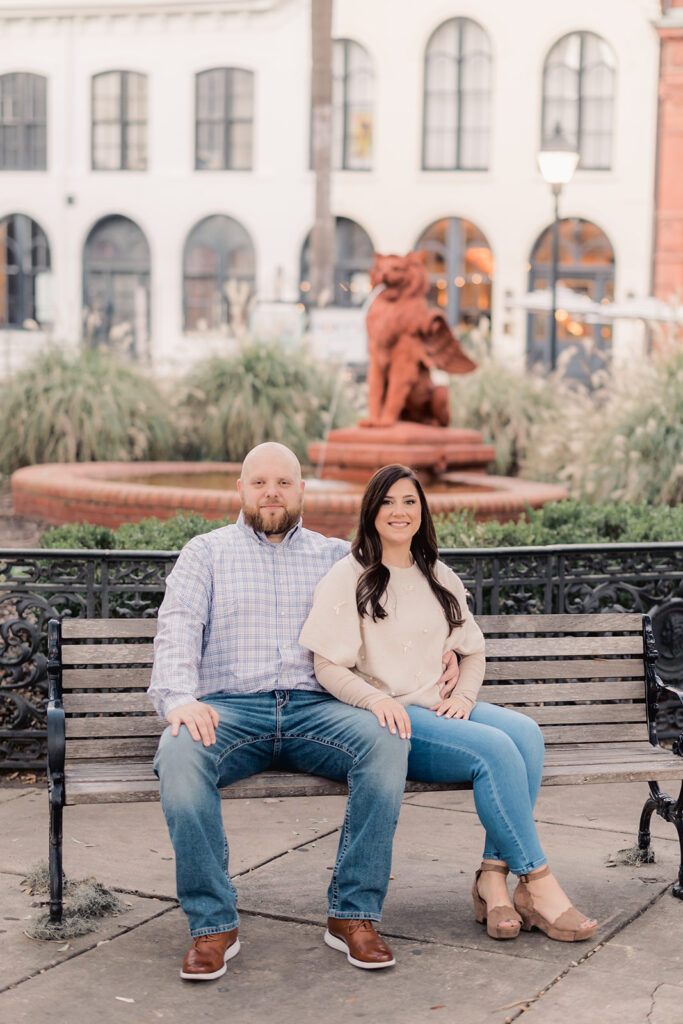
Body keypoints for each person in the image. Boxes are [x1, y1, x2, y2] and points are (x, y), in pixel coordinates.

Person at [148, 443, 460, 980]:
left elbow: (407, 600)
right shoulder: (206, 553)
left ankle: (352, 914)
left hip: (318, 710)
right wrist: (179, 699)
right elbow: (177, 628)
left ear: (302, 491)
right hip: (230, 711)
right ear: (241, 490)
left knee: (387, 740)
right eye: (260, 483)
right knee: (178, 756)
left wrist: (447, 647)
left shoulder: (337, 556)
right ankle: (213, 924)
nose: (272, 493)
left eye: (284, 483)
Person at [299, 464, 597, 944]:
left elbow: (472, 649)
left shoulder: (438, 575)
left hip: (438, 706)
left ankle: (493, 880)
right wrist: (374, 700)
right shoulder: (349, 576)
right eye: (387, 502)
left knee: (525, 735)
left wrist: (463, 695)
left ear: (423, 511)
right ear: (371, 510)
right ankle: (538, 884)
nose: (399, 511)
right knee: (494, 750)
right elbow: (327, 665)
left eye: (409, 501)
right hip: (393, 721)